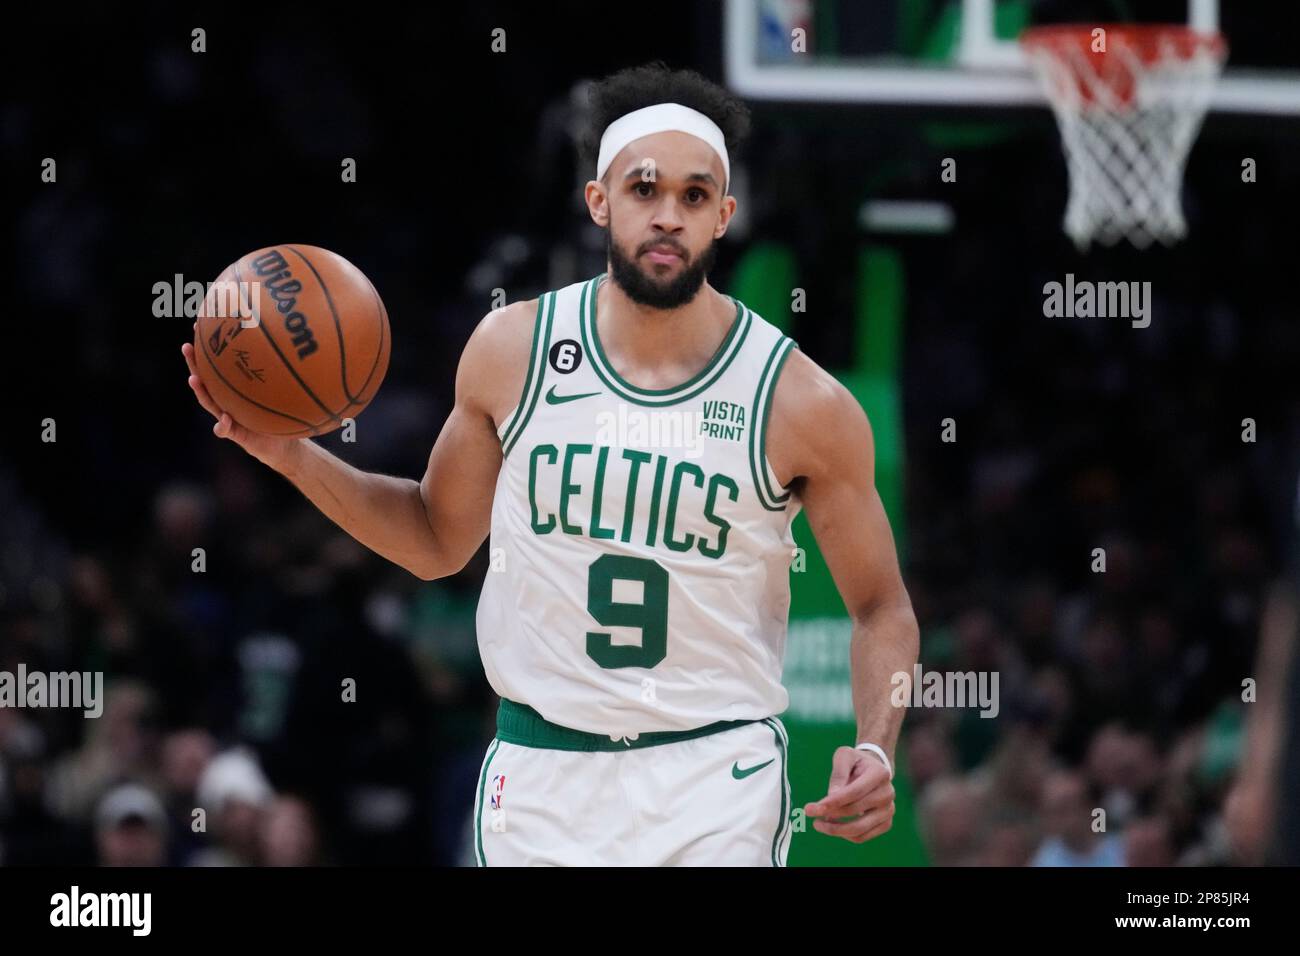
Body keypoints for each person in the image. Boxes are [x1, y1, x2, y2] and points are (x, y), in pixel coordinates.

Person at [180, 63, 919, 866]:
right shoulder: (512, 352)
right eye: (644, 190)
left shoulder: (801, 402)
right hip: (541, 774)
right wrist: (292, 455)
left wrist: (876, 746)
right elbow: (434, 539)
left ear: (724, 218)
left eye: (694, 196)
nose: (668, 215)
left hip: (715, 775)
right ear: (600, 201)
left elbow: (883, 606)